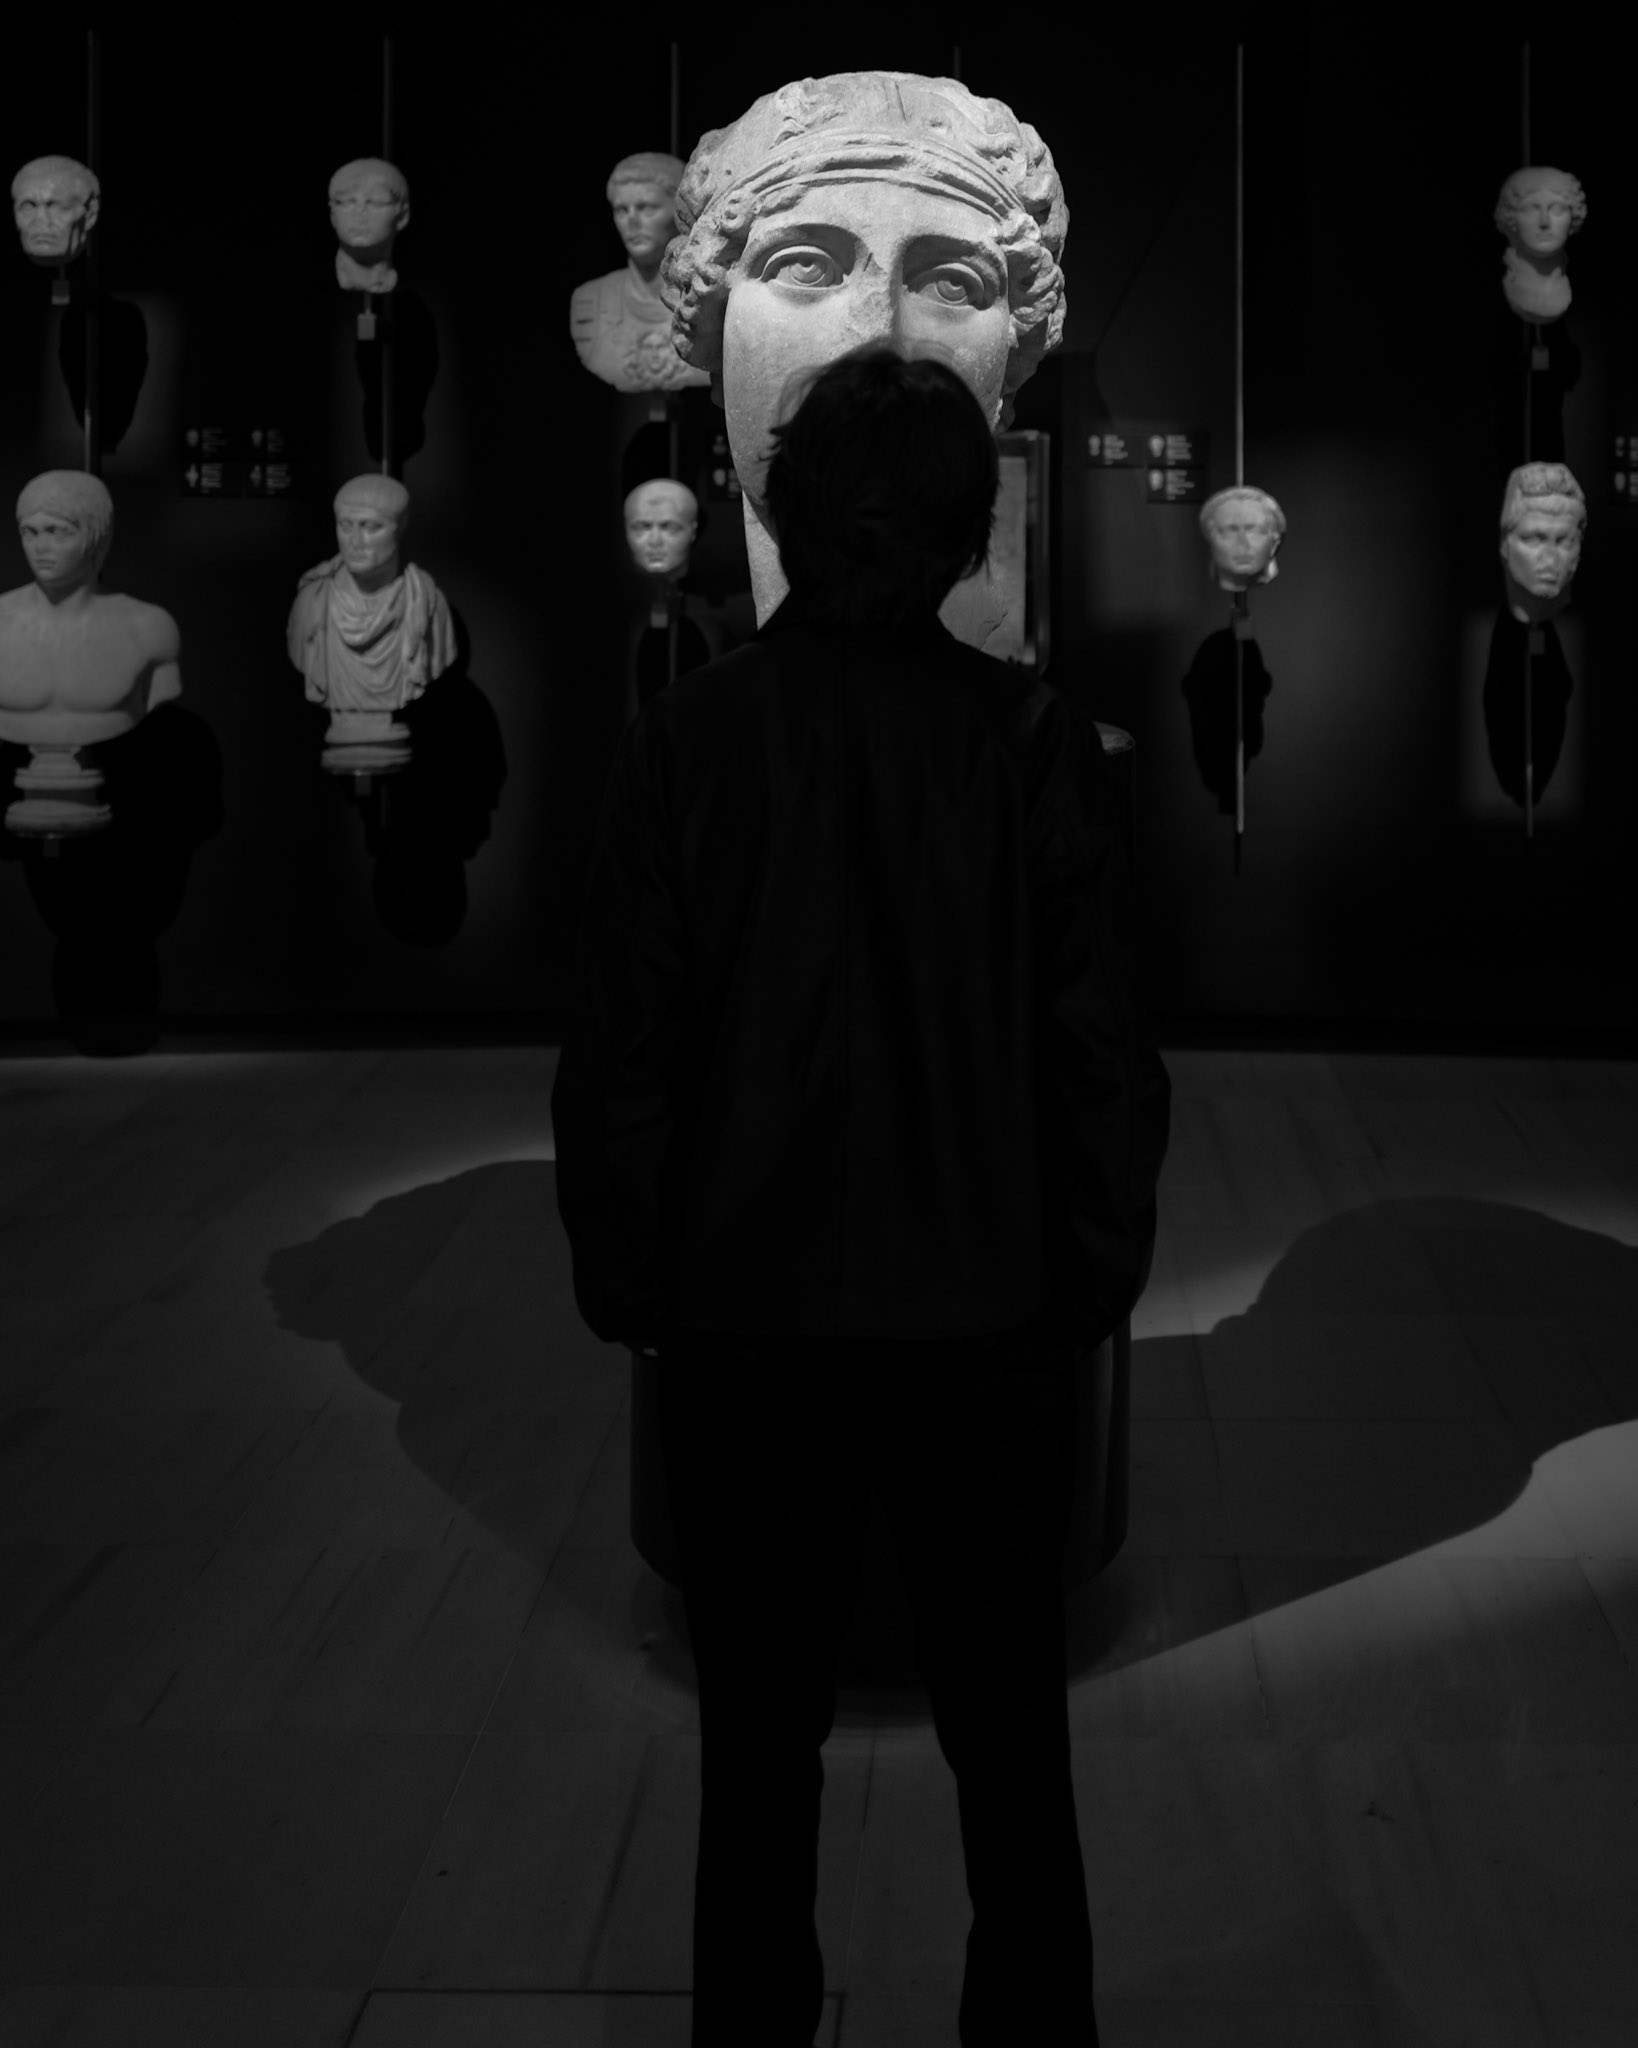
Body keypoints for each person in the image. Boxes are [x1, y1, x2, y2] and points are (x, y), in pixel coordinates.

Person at [552, 347, 1171, 2048]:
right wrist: (1087, 1279)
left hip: (746, 1316)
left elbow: (622, 1056)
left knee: (756, 1756)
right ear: (969, 533)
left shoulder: (690, 737)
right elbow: (1100, 1057)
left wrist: (634, 1284)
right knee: (1010, 1748)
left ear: (784, 512)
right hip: (985, 1317)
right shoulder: (1026, 740)